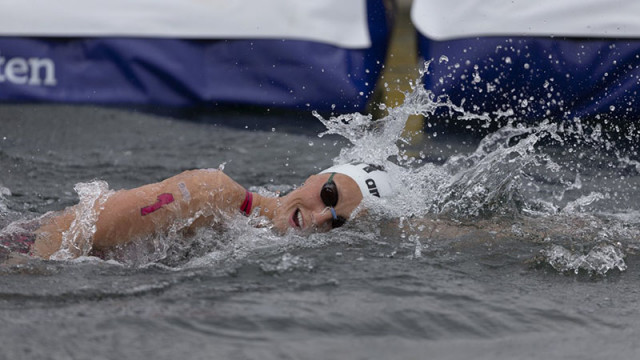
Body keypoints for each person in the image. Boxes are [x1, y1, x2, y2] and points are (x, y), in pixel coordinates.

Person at [0, 163, 394, 261]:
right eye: (329, 194)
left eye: (338, 222)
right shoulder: (214, 194)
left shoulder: (253, 242)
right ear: (314, 176)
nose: (323, 216)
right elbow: (68, 235)